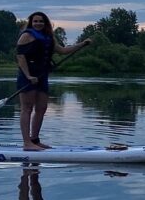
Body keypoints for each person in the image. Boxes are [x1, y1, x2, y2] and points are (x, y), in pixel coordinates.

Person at [15, 11, 91, 150]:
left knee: (42, 108)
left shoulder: (48, 37)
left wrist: (82, 44)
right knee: (27, 108)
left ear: (46, 23)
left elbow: (63, 51)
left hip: (42, 76)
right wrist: (28, 76)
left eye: (41, 21)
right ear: (31, 23)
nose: (38, 24)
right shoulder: (26, 36)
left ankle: (35, 140)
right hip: (28, 77)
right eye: (35, 21)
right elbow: (20, 57)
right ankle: (27, 143)